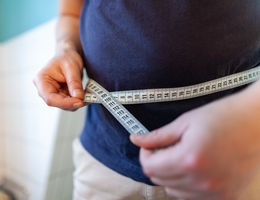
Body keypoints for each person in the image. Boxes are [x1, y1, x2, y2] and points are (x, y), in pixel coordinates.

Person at [33, 0, 260, 199]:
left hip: (231, 159)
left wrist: (252, 121)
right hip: (103, 162)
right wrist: (65, 48)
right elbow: (70, 12)